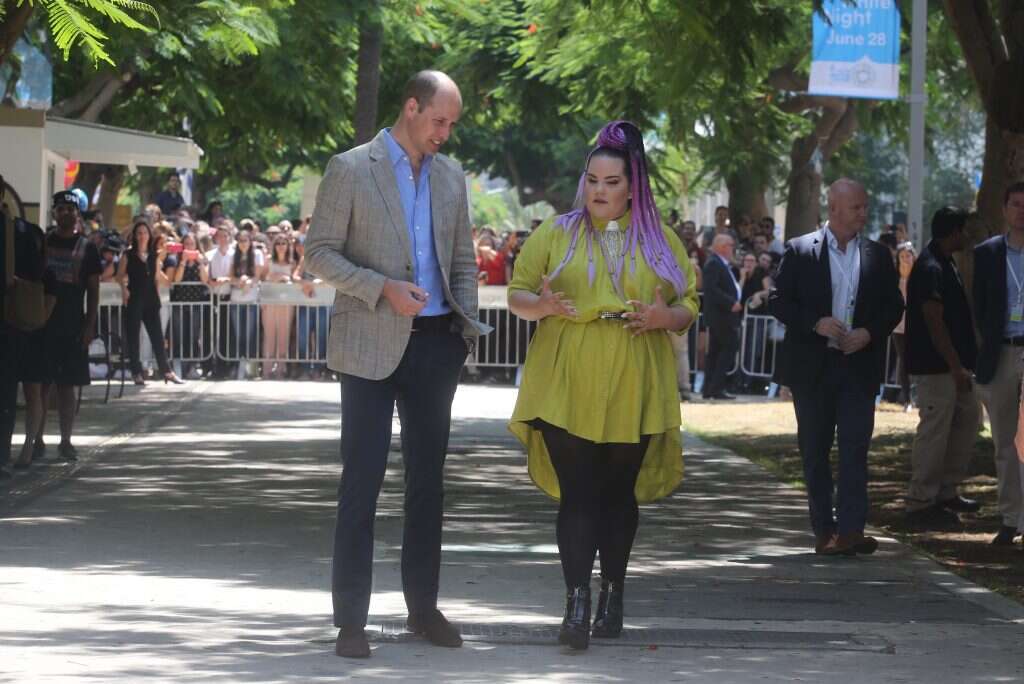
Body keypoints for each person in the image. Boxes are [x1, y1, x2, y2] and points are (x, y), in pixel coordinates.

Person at [305, 70, 484, 659]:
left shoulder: (452, 177)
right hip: (368, 344)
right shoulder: (352, 168)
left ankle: (422, 608)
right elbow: (318, 254)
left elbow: (463, 262)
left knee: (427, 485)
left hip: (436, 345)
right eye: (439, 120)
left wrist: (463, 331)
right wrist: (381, 287)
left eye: (452, 123)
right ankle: (351, 620)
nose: (446, 133)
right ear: (411, 107)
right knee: (362, 482)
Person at [508, 120, 698, 651]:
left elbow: (689, 305)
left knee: (617, 495)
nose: (598, 190)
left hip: (635, 376)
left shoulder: (662, 241)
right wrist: (542, 306)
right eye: (592, 179)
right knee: (578, 494)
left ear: (632, 185)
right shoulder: (556, 232)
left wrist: (666, 317)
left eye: (611, 181)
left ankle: (613, 590)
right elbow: (518, 294)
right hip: (567, 372)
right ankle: (576, 601)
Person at [769, 178, 904, 555]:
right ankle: (823, 530)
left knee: (855, 448)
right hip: (813, 367)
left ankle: (850, 531)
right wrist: (815, 322)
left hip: (857, 367)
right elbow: (779, 301)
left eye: (865, 206)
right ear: (834, 209)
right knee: (814, 451)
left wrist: (869, 333)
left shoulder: (877, 254)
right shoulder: (800, 250)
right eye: (856, 206)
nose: (864, 212)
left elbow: (893, 306)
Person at [903, 207, 982, 526]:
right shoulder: (930, 267)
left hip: (956, 366)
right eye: (964, 230)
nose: (967, 236)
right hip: (937, 367)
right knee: (935, 430)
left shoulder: (947, 262)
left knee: (969, 419)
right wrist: (954, 365)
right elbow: (934, 322)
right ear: (953, 231)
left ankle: (946, 490)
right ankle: (921, 500)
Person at [36, 192, 105, 462]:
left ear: (78, 215)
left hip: (72, 326)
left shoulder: (87, 248)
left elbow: (94, 291)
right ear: (54, 213)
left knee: (67, 386)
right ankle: (36, 439)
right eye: (61, 209)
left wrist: (89, 325)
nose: (66, 213)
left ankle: (66, 440)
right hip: (42, 323)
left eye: (71, 209)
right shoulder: (42, 242)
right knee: (40, 384)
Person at [973, 181, 1024, 547]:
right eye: (1016, 204)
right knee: (1004, 441)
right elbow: (980, 306)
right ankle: (1010, 518)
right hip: (1002, 352)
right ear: (1005, 209)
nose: (1022, 210)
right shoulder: (988, 253)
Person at [116, 219, 183, 386]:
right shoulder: (128, 254)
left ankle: (166, 371)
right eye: (139, 233)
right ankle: (136, 372)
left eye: (145, 233)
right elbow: (119, 275)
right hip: (135, 298)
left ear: (149, 235)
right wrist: (124, 289)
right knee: (134, 337)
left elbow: (156, 278)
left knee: (157, 337)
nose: (142, 236)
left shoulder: (154, 255)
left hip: (151, 299)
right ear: (135, 235)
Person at [701, 233, 741, 400]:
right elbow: (711, 289)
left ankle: (710, 388)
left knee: (716, 352)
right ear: (723, 247)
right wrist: (730, 302)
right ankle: (715, 387)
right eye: (731, 245)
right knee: (728, 348)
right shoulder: (714, 264)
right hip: (721, 316)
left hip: (722, 316)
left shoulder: (720, 264)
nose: (733, 249)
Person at [169, 232, 211, 379]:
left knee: (193, 337)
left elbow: (205, 280)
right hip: (180, 303)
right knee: (179, 336)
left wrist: (199, 263)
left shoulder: (203, 260)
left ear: (197, 246)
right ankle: (179, 367)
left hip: (196, 303)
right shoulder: (176, 259)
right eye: (186, 244)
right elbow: (177, 279)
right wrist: (183, 262)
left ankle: (192, 367)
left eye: (192, 244)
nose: (189, 247)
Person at [229, 229, 263, 379]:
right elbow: (230, 277)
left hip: (251, 299)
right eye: (240, 241)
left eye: (245, 240)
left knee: (250, 335)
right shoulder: (233, 255)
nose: (243, 244)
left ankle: (251, 368)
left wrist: (248, 282)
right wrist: (240, 281)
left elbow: (258, 275)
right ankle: (238, 366)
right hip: (236, 299)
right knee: (238, 335)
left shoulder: (257, 254)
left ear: (250, 242)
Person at [260, 234, 294, 380]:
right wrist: (279, 278)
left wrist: (281, 278)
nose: (281, 246)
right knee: (269, 336)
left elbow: (294, 280)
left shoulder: (292, 263)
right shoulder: (268, 260)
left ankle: (281, 369)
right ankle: (266, 370)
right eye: (278, 243)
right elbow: (262, 280)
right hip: (269, 302)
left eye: (283, 243)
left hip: (286, 304)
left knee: (284, 336)